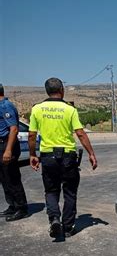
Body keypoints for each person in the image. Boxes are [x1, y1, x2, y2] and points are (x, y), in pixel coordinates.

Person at [28, 78, 98, 238]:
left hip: (47, 156)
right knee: (70, 192)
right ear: (62, 89)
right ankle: (68, 226)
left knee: (51, 191)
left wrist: (32, 155)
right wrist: (91, 154)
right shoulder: (69, 109)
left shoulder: (37, 109)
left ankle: (54, 219)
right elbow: (80, 133)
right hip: (68, 157)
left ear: (47, 91)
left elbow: (32, 135)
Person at [0, 84, 28, 221]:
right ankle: (12, 205)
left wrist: (8, 150)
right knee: (4, 178)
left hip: (6, 144)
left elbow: (14, 129)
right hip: (1, 144)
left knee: (12, 177)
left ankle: (21, 208)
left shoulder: (6, 106)